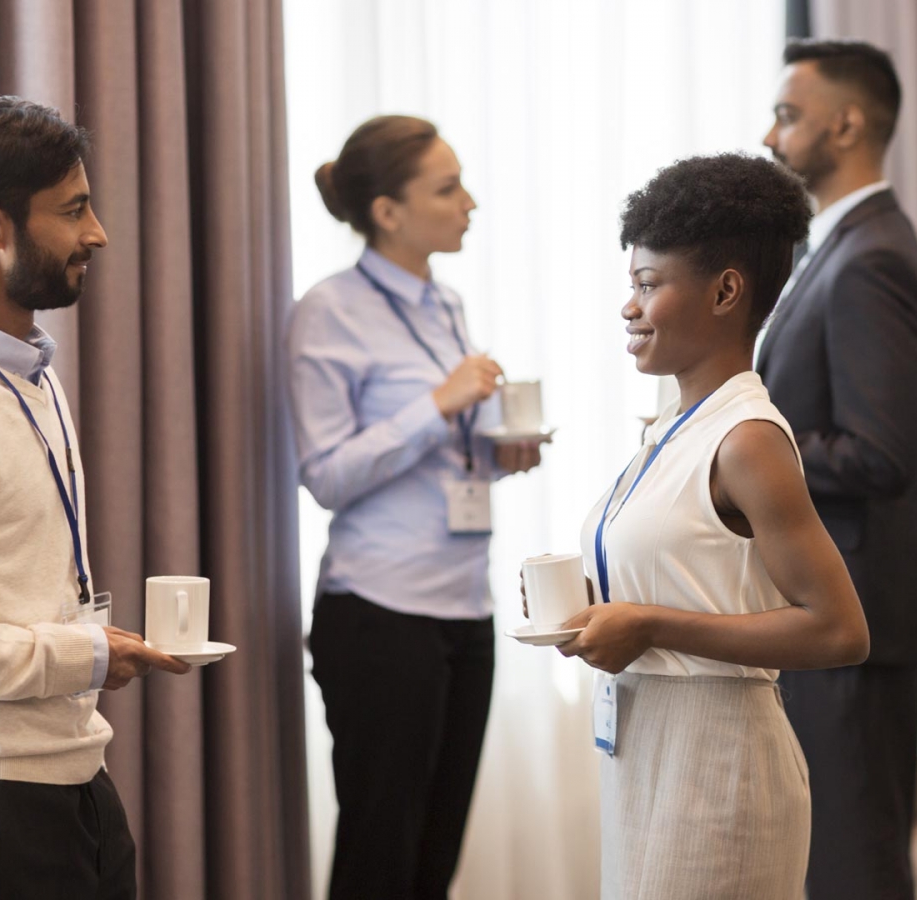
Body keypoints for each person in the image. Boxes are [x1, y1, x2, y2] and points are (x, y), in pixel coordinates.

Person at [554, 152, 868, 900]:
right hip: (647, 746)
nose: (628, 307)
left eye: (648, 284)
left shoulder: (747, 438)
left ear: (727, 290)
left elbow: (838, 630)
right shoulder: (674, 426)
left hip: (718, 761)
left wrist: (651, 623)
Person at [0, 95, 191, 898]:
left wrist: (86, 648)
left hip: (75, 774)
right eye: (74, 210)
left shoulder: (28, 373)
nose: (98, 233)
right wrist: (82, 654)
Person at [287, 115, 544, 900]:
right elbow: (326, 475)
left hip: (464, 605)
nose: (469, 202)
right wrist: (436, 405)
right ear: (388, 211)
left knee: (435, 858)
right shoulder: (327, 311)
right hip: (378, 613)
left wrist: (497, 453)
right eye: (447, 187)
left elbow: (435, 458)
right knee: (380, 857)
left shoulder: (446, 304)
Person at [757, 39, 917, 900]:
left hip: (855, 600)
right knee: (833, 850)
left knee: (855, 861)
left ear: (848, 123)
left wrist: (749, 452)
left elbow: (882, 452)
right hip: (837, 595)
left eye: (789, 116)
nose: (771, 135)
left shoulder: (870, 256)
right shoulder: (838, 245)